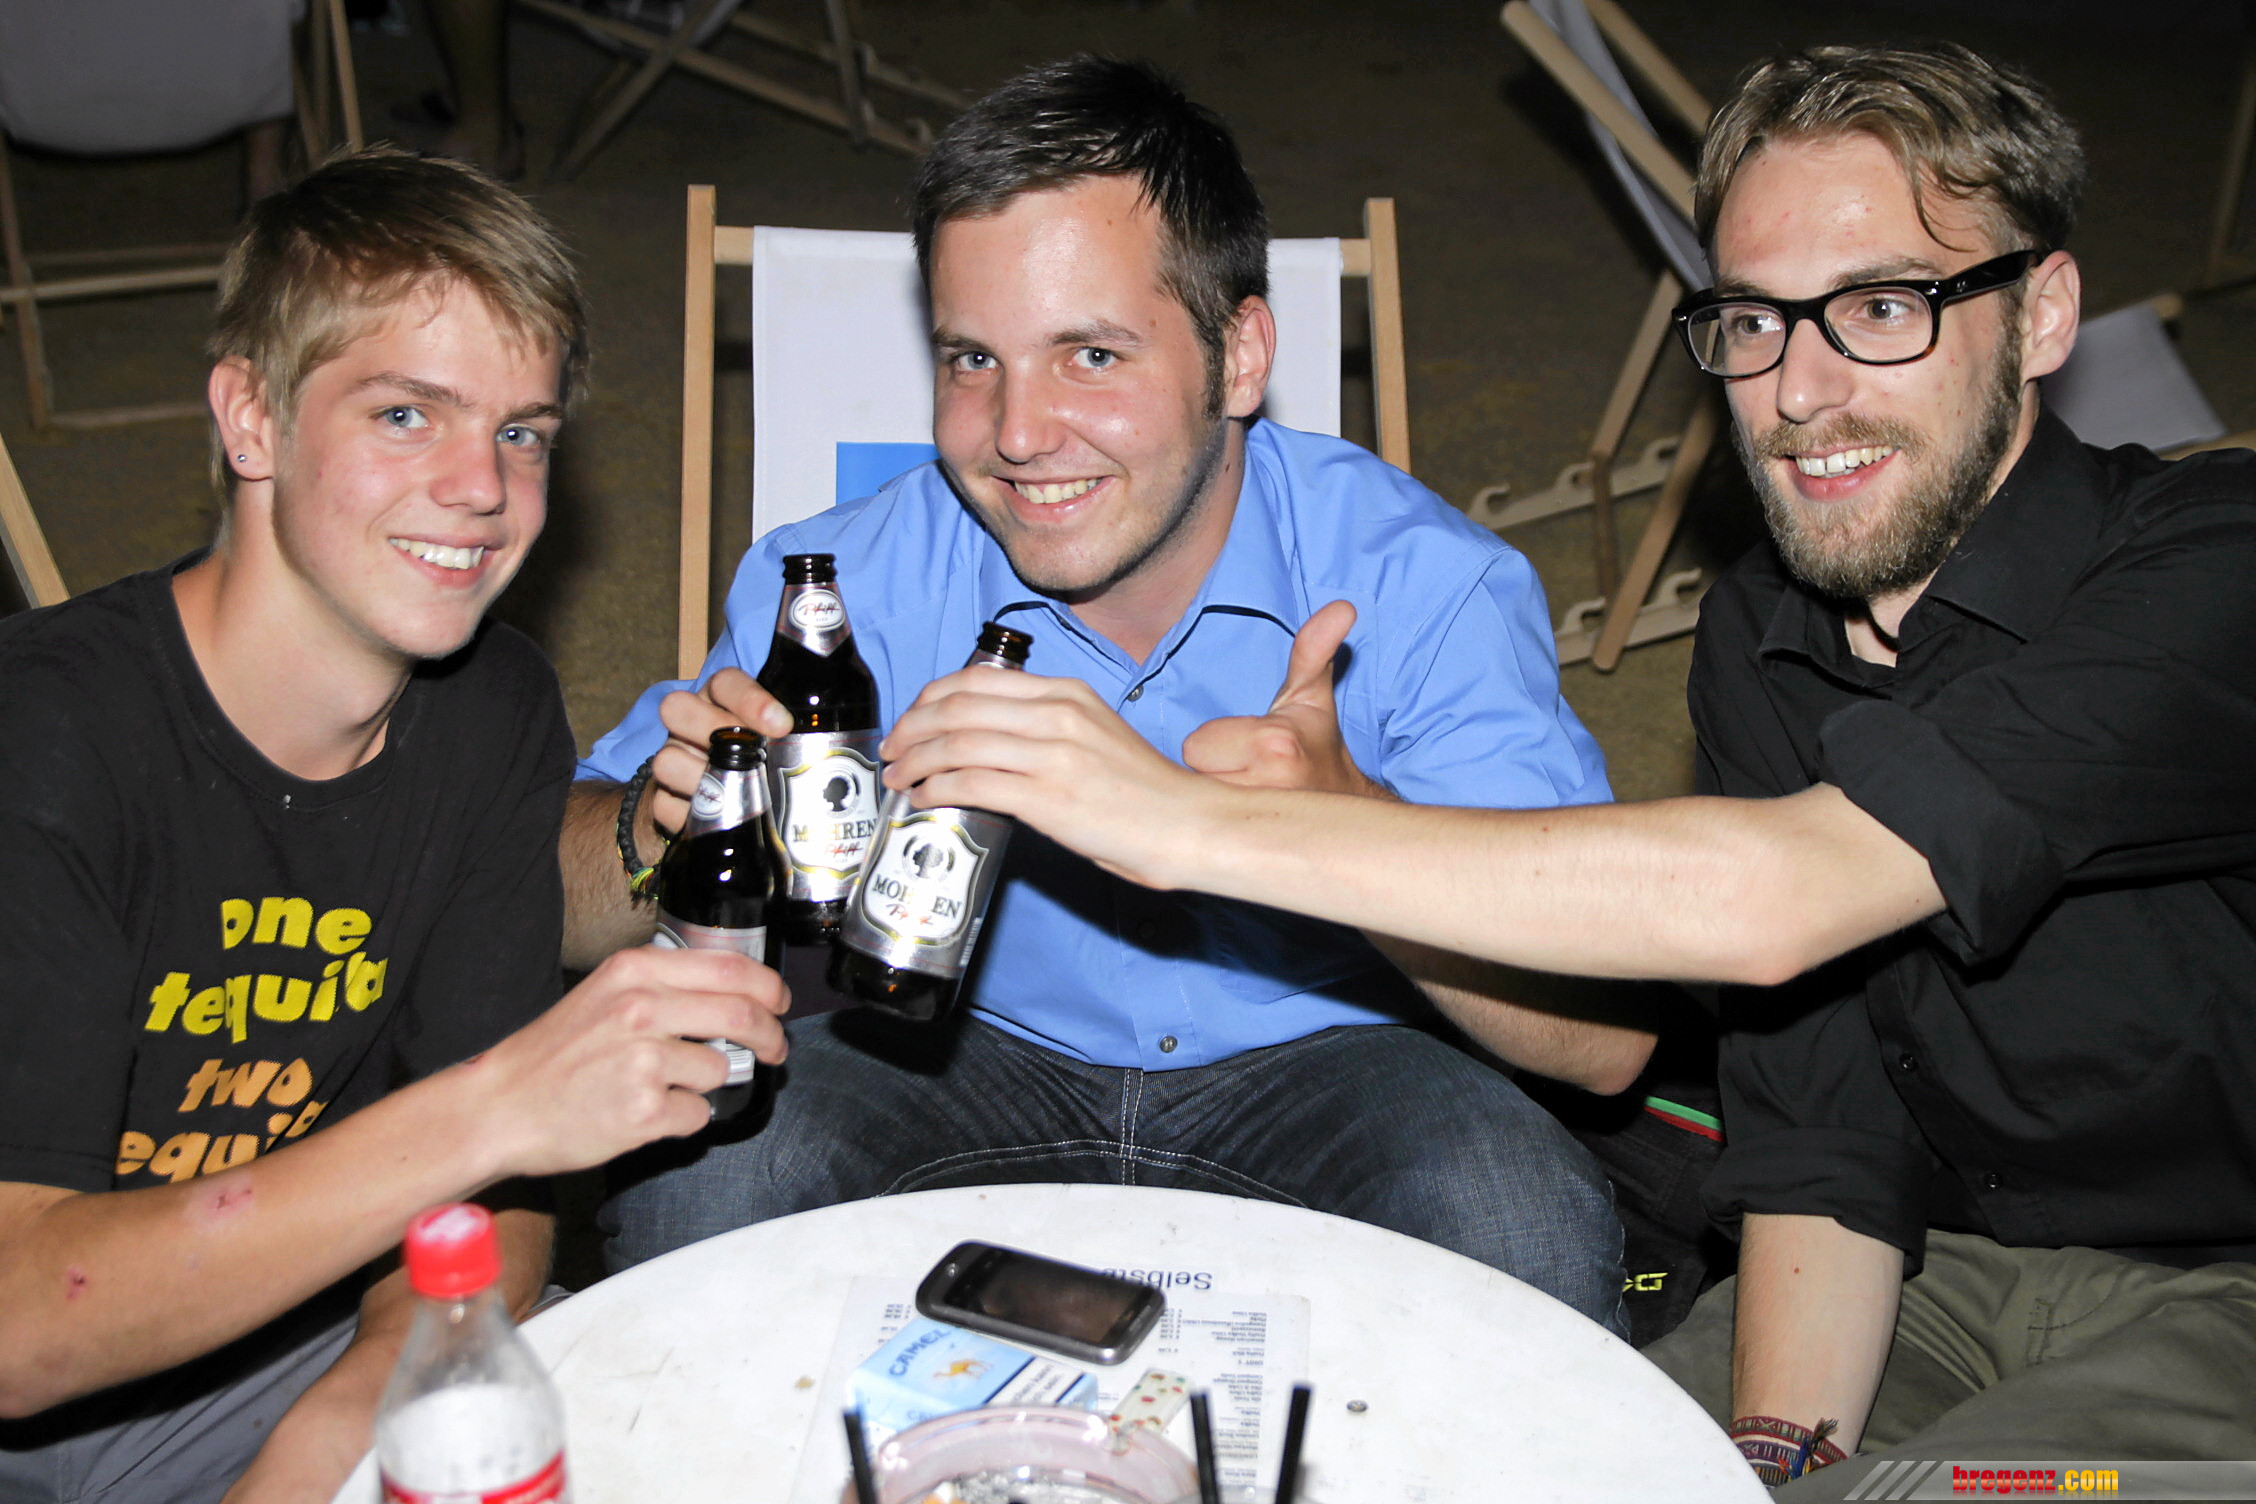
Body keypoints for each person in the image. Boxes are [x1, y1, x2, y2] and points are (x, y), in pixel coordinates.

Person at [877, 42, 2256, 1494]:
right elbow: (1826, 1139)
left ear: (2042, 313)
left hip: (2229, 1292)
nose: (1798, 390)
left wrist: (1192, 823)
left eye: (1880, 309)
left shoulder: (2213, 565)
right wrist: (1766, 1462)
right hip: (1945, 1270)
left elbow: (1778, 897)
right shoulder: (1765, 636)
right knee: (1564, 1466)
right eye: (1753, 320)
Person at [565, 56, 1650, 1332]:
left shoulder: (1425, 588)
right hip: (947, 1048)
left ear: (1240, 356)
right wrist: (654, 826)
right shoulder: (845, 584)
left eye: (1090, 354)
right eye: (973, 358)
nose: (1018, 432)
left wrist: (1349, 832)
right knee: (690, 1188)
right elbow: (547, 905)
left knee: (1523, 1227)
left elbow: (1608, 1045)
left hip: (1330, 1060)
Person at [0, 148, 787, 1504]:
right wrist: (496, 1107)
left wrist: (344, 1431)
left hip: (288, 1345)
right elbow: (21, 1329)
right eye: (408, 415)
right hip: (46, 1369)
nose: (482, 486)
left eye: (523, 432)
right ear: (252, 420)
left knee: (678, 1415)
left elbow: (500, 1218)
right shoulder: (45, 740)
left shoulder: (490, 708)